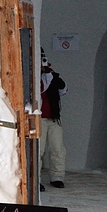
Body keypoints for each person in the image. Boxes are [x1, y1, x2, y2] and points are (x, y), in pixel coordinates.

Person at [40, 52, 68, 190]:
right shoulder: (34, 76)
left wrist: (52, 74)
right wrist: (44, 75)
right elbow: (40, 89)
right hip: (39, 118)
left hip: (54, 119)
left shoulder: (52, 76)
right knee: (38, 151)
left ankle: (57, 177)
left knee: (58, 149)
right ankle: (35, 179)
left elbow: (63, 89)